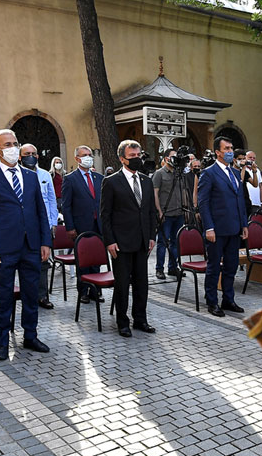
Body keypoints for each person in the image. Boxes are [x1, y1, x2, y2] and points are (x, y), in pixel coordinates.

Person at [0, 130, 52, 360]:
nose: (12, 147)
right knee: (3, 296)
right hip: (3, 250)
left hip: (31, 246)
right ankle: (1, 341)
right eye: (6, 144)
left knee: (30, 293)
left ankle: (30, 335)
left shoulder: (30, 177)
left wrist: (45, 242)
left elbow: (41, 211)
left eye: (14, 143)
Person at [99, 140, 159, 337]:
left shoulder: (146, 181)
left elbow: (150, 211)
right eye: (132, 156)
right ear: (122, 158)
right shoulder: (111, 181)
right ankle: (122, 322)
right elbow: (105, 215)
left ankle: (140, 319)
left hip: (142, 242)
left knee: (142, 283)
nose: (136, 159)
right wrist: (109, 241)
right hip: (121, 243)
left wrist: (151, 236)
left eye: (138, 155)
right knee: (122, 284)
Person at [197, 136, 249, 317]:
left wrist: (244, 224)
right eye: (226, 148)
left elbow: (240, 200)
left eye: (231, 148)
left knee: (231, 266)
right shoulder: (209, 173)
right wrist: (208, 227)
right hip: (217, 230)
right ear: (217, 152)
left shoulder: (235, 173)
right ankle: (212, 301)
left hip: (234, 228)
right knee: (214, 267)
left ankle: (228, 299)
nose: (230, 152)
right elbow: (203, 203)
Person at [60, 144, 104, 303]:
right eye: (84, 155)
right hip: (81, 226)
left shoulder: (99, 178)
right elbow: (66, 205)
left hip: (97, 225)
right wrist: (70, 227)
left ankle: (96, 290)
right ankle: (84, 291)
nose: (88, 157)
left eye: (90, 154)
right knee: (83, 260)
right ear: (77, 158)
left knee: (97, 259)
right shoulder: (70, 179)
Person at [20, 142, 58, 310]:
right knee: (25, 263)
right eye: (27, 153)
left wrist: (53, 222)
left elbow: (51, 199)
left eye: (34, 153)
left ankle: (42, 296)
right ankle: (27, 295)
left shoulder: (44, 175)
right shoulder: (18, 174)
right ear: (20, 156)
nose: (31, 156)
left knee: (43, 262)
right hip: (24, 227)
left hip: (43, 225)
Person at [152, 148, 186, 280]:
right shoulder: (159, 174)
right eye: (173, 157)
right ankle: (159, 269)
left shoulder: (179, 173)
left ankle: (173, 267)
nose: (175, 159)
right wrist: (159, 211)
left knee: (176, 242)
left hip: (179, 212)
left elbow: (183, 191)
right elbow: (155, 193)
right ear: (166, 158)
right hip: (166, 213)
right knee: (162, 242)